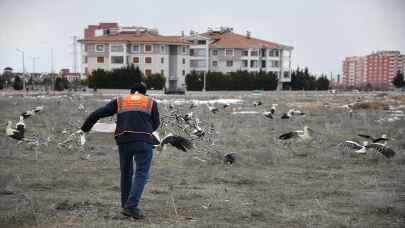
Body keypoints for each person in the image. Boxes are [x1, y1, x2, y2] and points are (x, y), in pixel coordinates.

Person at [79, 82, 160, 219]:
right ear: (144, 93)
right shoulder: (150, 102)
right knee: (141, 173)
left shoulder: (121, 101)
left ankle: (125, 206)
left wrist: (85, 128)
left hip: (124, 140)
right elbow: (156, 123)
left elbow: (98, 113)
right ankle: (131, 206)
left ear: (131, 92)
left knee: (126, 173)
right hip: (143, 141)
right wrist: (145, 131)